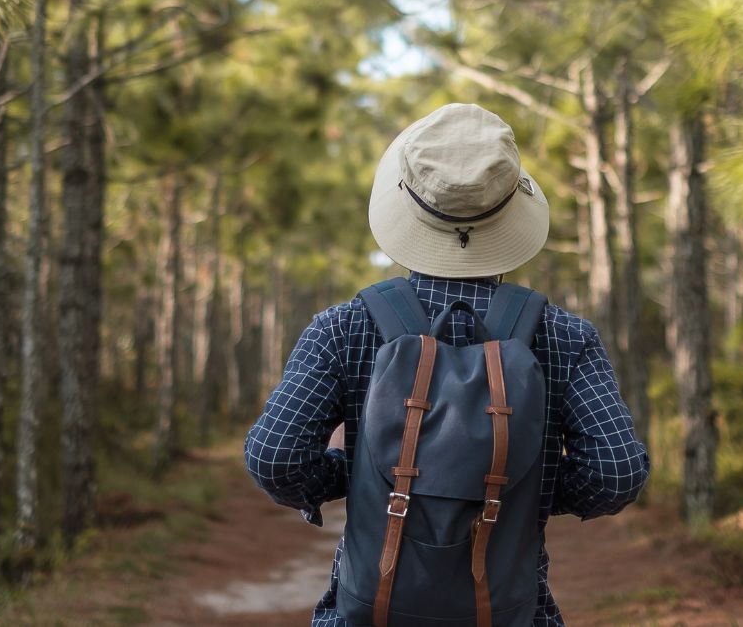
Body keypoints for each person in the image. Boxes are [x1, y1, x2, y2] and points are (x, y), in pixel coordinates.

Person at [244, 102, 650, 626]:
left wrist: (359, 474)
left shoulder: (342, 328)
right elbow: (616, 473)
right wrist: (525, 486)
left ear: (407, 205)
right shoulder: (565, 336)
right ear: (510, 207)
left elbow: (274, 458)